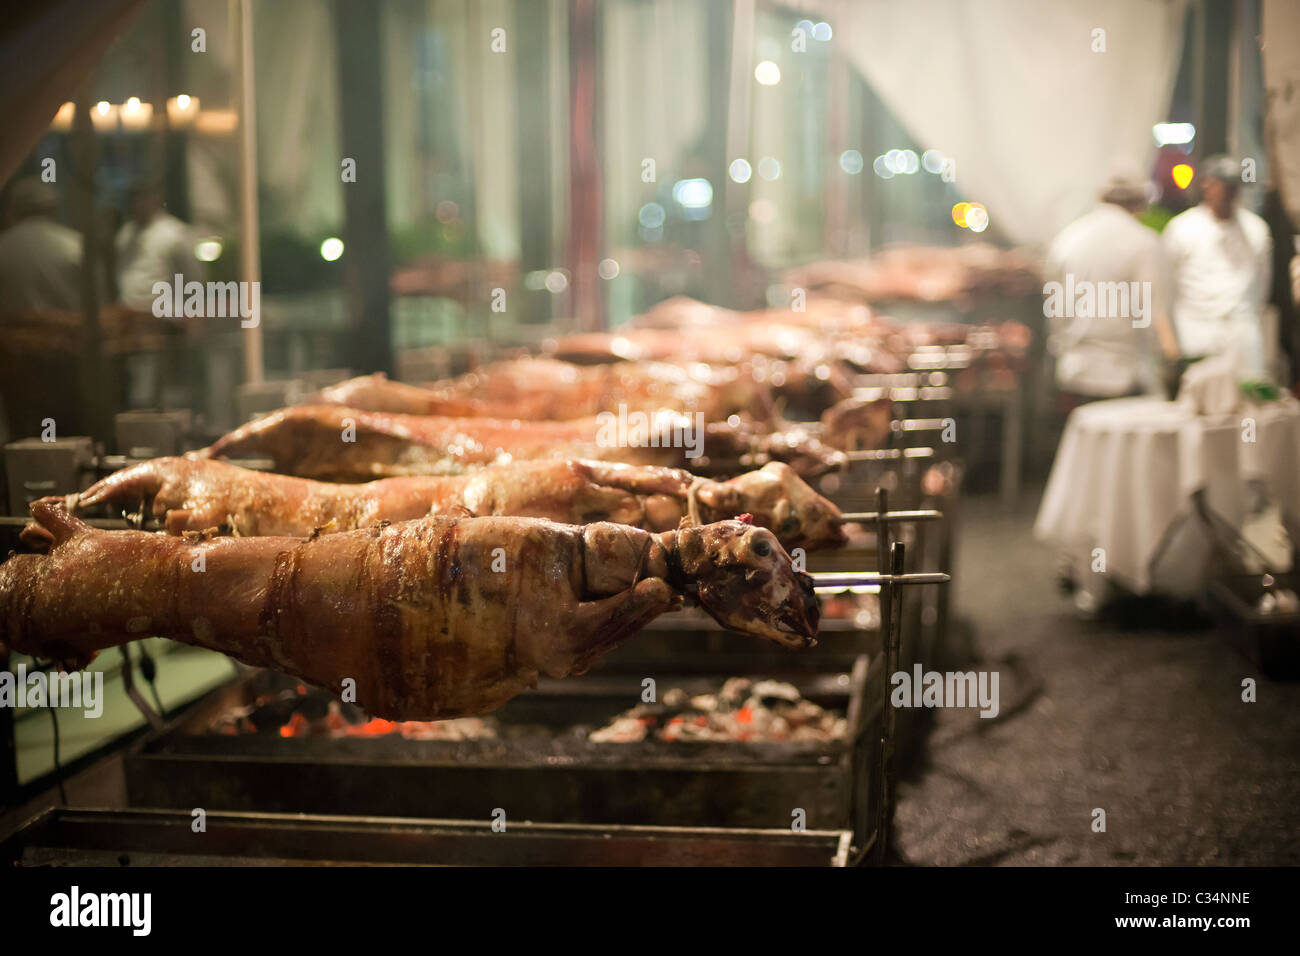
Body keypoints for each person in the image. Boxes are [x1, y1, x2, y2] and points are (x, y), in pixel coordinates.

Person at [1045, 168, 1175, 406]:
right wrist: (1171, 361)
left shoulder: (1068, 238)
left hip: (1073, 374)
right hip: (1123, 378)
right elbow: (1155, 315)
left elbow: (1054, 311)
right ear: (1140, 203)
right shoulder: (1143, 242)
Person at [1162, 155, 1274, 380]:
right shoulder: (1182, 229)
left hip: (1241, 330)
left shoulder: (1255, 229)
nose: (1230, 193)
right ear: (1207, 185)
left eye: (1234, 187)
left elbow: (1263, 284)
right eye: (1224, 185)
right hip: (1196, 329)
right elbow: (1166, 284)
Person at [0, 177, 84, 312]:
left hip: (13, 332)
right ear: (53, 209)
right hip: (69, 331)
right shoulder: (76, 244)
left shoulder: (3, 246)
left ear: (12, 210)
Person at [115, 182, 202, 311]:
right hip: (128, 314)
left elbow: (193, 276)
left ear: (155, 199)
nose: (138, 204)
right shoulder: (125, 234)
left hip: (165, 314)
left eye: (143, 197)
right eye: (135, 198)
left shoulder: (175, 233)